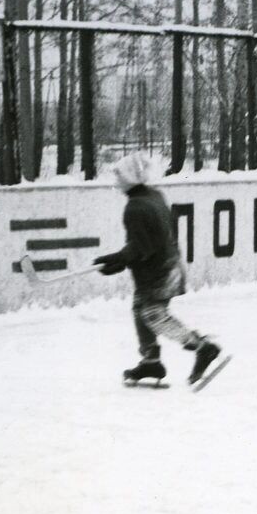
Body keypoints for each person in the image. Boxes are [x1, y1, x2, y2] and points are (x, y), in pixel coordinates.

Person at [92, 152, 222, 385]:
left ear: (131, 176)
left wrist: (118, 259)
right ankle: (151, 362)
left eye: (119, 174)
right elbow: (150, 241)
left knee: (153, 315)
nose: (116, 179)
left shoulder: (135, 207)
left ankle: (203, 348)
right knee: (140, 308)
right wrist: (122, 260)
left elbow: (143, 247)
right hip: (167, 265)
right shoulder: (154, 196)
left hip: (159, 272)